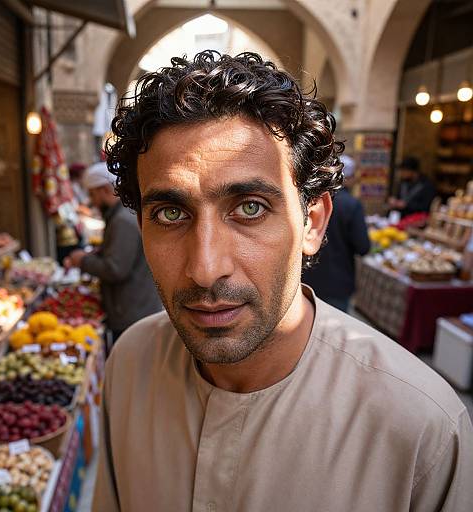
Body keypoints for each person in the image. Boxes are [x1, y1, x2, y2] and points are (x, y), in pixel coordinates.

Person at [93, 52, 473, 512]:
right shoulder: (129, 365)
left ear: (312, 223)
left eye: (250, 207)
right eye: (170, 213)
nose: (205, 268)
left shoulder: (421, 429)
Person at [64, 162, 162, 343]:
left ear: (104, 190)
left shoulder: (122, 220)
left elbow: (115, 269)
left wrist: (82, 261)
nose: (92, 202)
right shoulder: (121, 215)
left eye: (92, 194)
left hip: (131, 312)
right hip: (133, 309)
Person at [304, 155, 370, 312]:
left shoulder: (309, 200)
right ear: (350, 178)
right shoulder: (352, 205)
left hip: (307, 278)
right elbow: (363, 246)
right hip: (337, 282)